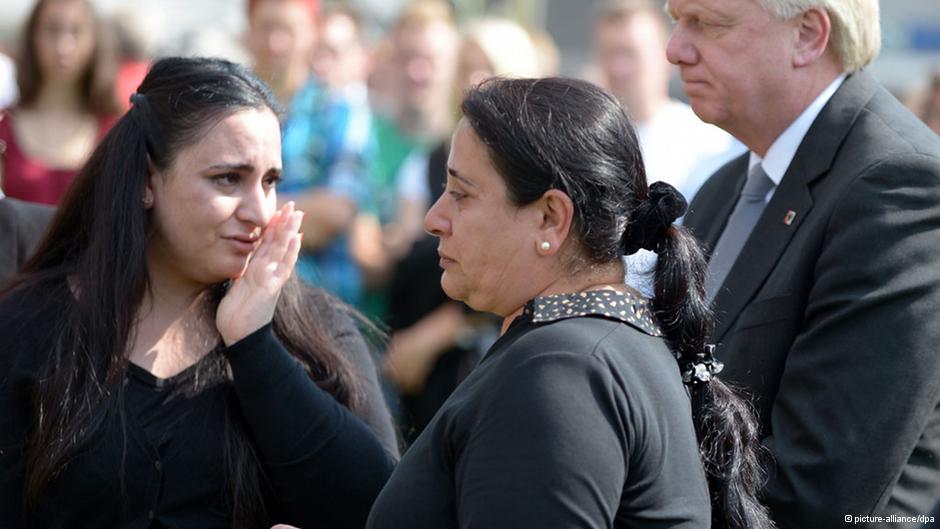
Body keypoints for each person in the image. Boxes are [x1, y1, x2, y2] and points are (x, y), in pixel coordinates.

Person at [0, 57, 397, 529]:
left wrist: (255, 346)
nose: (259, 210)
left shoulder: (316, 333)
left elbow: (381, 506)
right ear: (148, 180)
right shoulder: (30, 327)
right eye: (228, 178)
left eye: (270, 181)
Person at [364, 77, 773, 529]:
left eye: (461, 194)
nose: (433, 218)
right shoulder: (589, 350)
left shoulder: (560, 372)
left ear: (550, 218)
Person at [666, 0, 940, 526]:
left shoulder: (898, 186)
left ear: (809, 36)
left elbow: (817, 486)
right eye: (675, 20)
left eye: (707, 23)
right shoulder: (728, 187)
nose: (675, 49)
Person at [381, 17, 543, 443]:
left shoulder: (540, 167)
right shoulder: (430, 159)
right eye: (466, 66)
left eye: (487, 66)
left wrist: (435, 334)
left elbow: (529, 270)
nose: (475, 79)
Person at [593, 0, 742, 203]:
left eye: (630, 53)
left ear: (665, 57)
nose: (618, 68)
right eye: (609, 53)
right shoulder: (591, 140)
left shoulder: (708, 141)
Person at [0, 0, 120, 205]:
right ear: (33, 36)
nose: (63, 46)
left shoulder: (116, 130)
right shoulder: (4, 127)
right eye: (52, 29)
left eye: (76, 30)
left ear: (95, 39)